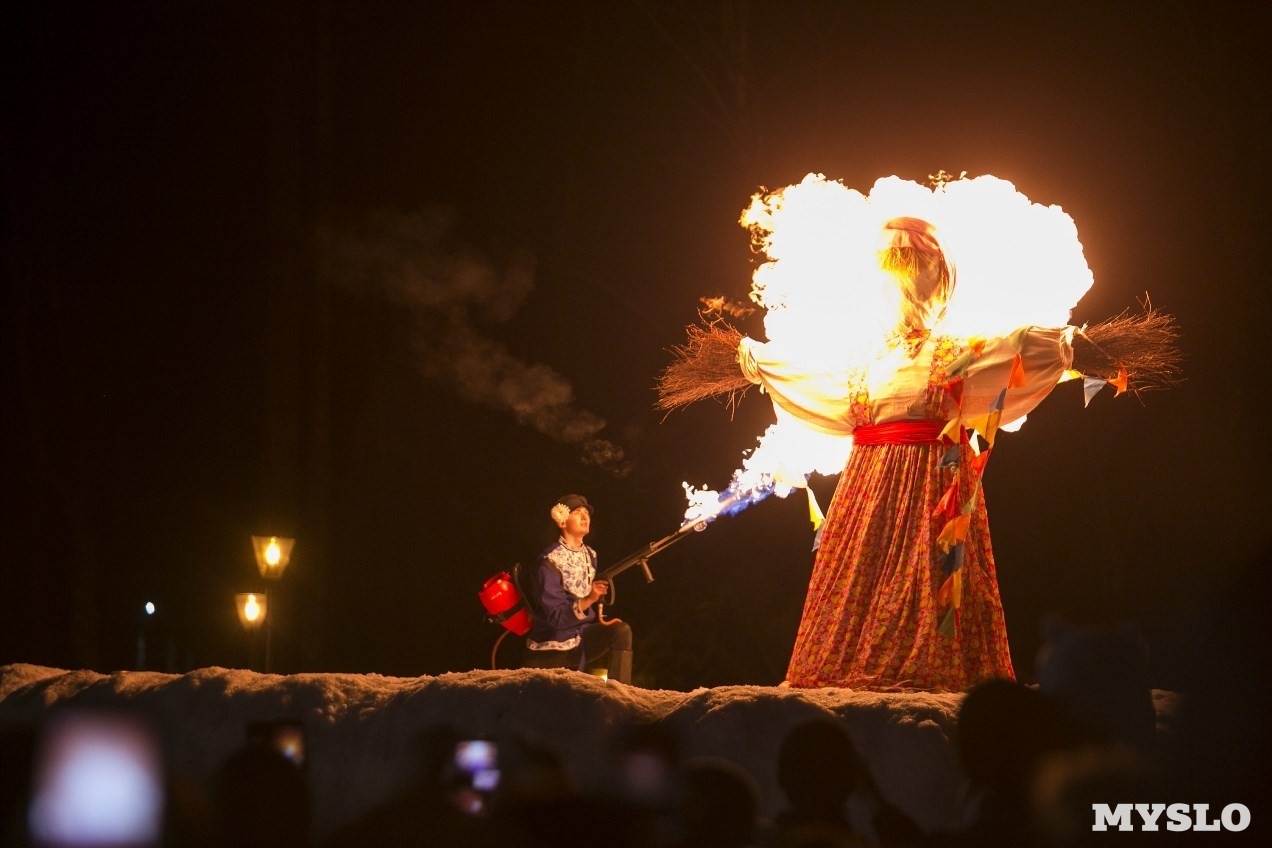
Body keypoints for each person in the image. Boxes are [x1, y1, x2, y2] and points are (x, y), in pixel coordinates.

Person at [521, 494, 634, 685]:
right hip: (551, 648)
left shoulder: (590, 555)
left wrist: (595, 595)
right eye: (577, 512)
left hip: (580, 638)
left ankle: (620, 692)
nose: (585, 517)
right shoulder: (548, 563)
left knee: (621, 631)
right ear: (562, 521)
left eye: (586, 513)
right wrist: (590, 598)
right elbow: (556, 617)